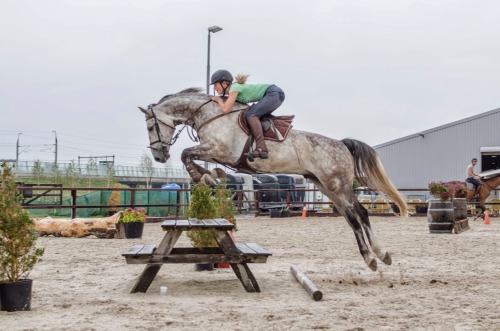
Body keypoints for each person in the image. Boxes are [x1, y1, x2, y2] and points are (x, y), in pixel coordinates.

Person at [210, 69, 285, 159]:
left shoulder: (234, 88)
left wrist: (219, 100)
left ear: (224, 83)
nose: (214, 88)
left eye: (215, 84)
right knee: (250, 114)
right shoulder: (232, 92)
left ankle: (261, 148)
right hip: (275, 94)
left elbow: (226, 110)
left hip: (274, 93)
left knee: (251, 115)